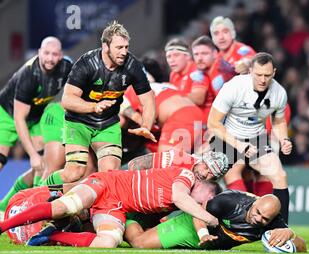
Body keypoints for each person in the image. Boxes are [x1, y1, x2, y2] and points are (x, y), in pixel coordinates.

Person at [0, 153, 230, 248]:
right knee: (67, 206)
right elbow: (143, 164)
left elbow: (190, 208)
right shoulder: (185, 168)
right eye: (207, 168)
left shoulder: (196, 192)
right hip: (109, 184)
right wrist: (135, 178)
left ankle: (50, 236)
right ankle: (3, 226)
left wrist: (203, 234)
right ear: (202, 160)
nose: (206, 174)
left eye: (212, 175)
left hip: (118, 206)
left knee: (108, 242)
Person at [42, 21, 157, 187]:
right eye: (119, 47)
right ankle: (41, 191)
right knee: (74, 172)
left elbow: (148, 101)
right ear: (105, 46)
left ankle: (97, 211)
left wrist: (146, 125)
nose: (124, 52)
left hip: (107, 124)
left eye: (126, 47)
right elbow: (67, 100)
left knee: (109, 175)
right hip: (78, 123)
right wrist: (93, 107)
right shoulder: (86, 64)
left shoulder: (133, 66)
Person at [208, 52, 292, 223]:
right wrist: (240, 146)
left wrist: (284, 139)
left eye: (267, 75)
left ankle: (280, 229)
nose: (263, 80)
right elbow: (213, 123)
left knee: (279, 175)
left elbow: (278, 121)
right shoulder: (234, 87)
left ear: (274, 73)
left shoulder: (279, 93)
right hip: (227, 138)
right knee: (222, 175)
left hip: (256, 140)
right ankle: (235, 222)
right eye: (258, 75)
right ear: (251, 71)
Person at [0, 37, 72, 211]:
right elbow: (19, 118)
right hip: (8, 115)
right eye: (46, 53)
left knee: (44, 164)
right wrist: (32, 154)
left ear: (61, 56)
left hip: (36, 115)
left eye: (54, 54)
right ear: (39, 52)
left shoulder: (66, 67)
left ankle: (13, 207)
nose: (50, 58)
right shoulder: (29, 76)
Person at [125, 189, 307, 253]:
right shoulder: (230, 201)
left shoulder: (272, 219)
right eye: (257, 212)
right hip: (194, 227)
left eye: (264, 218)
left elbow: (302, 247)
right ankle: (127, 216)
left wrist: (290, 233)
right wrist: (203, 234)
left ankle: (153, 223)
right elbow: (199, 212)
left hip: (209, 244)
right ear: (256, 200)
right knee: (140, 243)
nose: (257, 219)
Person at [165, 38, 211, 107]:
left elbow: (199, 99)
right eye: (168, 57)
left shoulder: (197, 71)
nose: (171, 60)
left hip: (206, 115)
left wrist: (171, 91)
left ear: (187, 56)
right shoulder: (173, 74)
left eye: (176, 55)